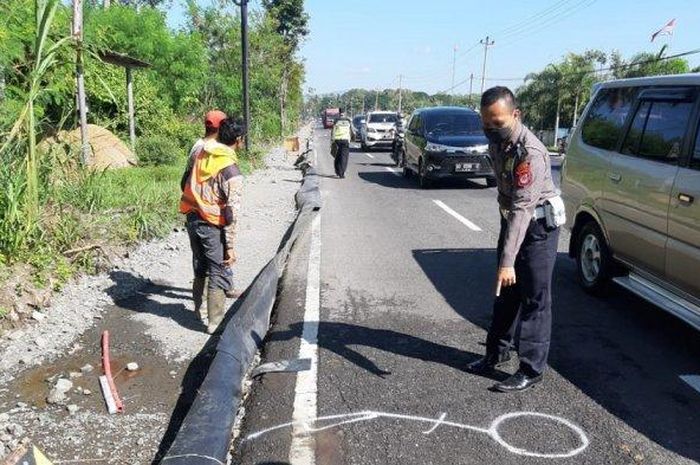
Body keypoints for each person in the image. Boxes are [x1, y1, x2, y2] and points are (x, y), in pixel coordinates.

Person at [466, 86, 564, 393]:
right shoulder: (499, 143)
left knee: (534, 297)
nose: (491, 130)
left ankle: (531, 368)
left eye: (498, 123)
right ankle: (496, 352)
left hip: (537, 228)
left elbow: (523, 207)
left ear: (515, 115)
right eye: (486, 124)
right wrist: (506, 258)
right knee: (505, 291)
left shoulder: (529, 152)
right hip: (513, 222)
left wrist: (508, 260)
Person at [179, 118, 245, 334]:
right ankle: (215, 322)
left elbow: (185, 182)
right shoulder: (230, 169)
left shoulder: (201, 154)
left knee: (199, 266)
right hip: (211, 224)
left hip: (192, 217)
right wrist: (231, 247)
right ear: (238, 140)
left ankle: (198, 309)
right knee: (217, 269)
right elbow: (231, 213)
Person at [185, 110, 240, 299]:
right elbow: (230, 203)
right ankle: (217, 302)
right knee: (218, 258)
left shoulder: (198, 147)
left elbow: (186, 178)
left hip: (194, 211)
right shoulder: (218, 151)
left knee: (201, 260)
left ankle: (201, 302)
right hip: (211, 214)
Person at [331, 108, 352, 178]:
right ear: (345, 112)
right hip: (345, 140)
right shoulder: (348, 120)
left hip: (337, 140)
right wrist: (352, 138)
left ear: (339, 112)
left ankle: (337, 171)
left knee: (337, 156)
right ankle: (341, 173)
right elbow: (352, 130)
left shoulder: (336, 120)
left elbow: (333, 131)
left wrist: (332, 141)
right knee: (344, 157)